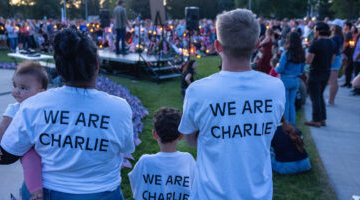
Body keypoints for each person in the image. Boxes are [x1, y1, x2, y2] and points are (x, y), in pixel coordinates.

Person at [0, 29, 134, 199]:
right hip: (102, 192)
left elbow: (4, 156)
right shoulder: (119, 108)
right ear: (96, 65)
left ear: (59, 69)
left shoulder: (33, 105)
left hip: (47, 192)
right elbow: (126, 148)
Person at [178, 9, 285, 200]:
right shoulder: (275, 87)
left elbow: (191, 140)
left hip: (210, 194)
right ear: (257, 44)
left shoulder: (198, 91)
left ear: (217, 46)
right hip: (258, 193)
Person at [0, 61, 48, 200]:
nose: (16, 91)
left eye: (23, 88)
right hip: (26, 146)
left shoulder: (44, 108)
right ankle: (36, 192)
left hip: (44, 144)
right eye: (15, 85)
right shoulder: (14, 108)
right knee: (30, 160)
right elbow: (2, 126)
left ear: (40, 92)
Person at [128, 108, 196, 200]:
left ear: (155, 134)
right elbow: (196, 189)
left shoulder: (144, 162)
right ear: (181, 136)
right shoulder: (188, 160)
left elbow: (136, 187)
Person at [305, 22, 335, 127]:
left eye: (314, 30)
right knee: (320, 95)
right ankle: (322, 119)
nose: (314, 32)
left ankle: (316, 120)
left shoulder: (316, 43)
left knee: (315, 97)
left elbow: (308, 60)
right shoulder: (331, 43)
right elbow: (333, 58)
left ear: (318, 31)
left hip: (315, 72)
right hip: (326, 71)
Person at [275, 32, 305, 125]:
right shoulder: (301, 53)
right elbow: (301, 70)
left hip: (285, 80)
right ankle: (292, 124)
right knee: (292, 104)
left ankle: (286, 124)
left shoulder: (286, 54)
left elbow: (280, 69)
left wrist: (276, 66)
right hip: (295, 80)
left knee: (286, 104)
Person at [328, 19, 344, 105]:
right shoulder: (340, 36)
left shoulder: (334, 37)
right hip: (337, 58)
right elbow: (341, 49)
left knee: (332, 81)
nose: (331, 26)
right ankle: (332, 100)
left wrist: (330, 63)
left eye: (333, 25)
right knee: (334, 81)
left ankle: (331, 101)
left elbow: (333, 52)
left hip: (334, 60)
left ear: (336, 27)